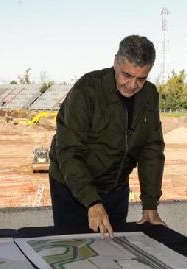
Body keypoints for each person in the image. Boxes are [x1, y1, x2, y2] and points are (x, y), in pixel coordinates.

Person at [48, 35, 167, 237]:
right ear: (115, 62)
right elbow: (69, 152)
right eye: (127, 75)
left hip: (115, 188)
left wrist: (150, 204)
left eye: (141, 78)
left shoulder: (149, 95)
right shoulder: (86, 91)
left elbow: (151, 150)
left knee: (112, 249)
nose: (132, 85)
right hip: (73, 189)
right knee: (75, 248)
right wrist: (92, 201)